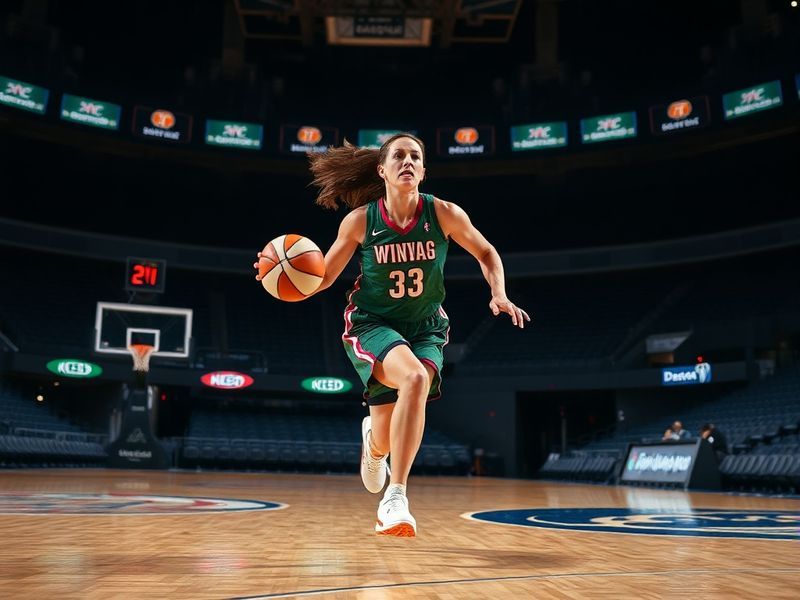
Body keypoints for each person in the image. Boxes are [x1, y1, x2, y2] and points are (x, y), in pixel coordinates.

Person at [254, 133, 530, 537]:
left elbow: (487, 252)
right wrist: (280, 279)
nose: (407, 161)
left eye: (415, 156)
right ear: (382, 170)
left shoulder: (445, 214)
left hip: (426, 329)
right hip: (373, 323)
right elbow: (324, 277)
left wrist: (499, 293)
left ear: (423, 169)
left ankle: (379, 458)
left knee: (396, 411)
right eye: (398, 156)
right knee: (415, 377)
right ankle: (395, 495)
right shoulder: (361, 221)